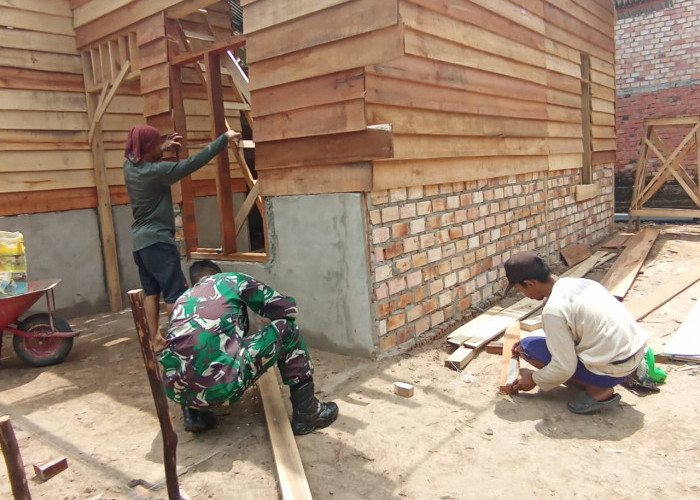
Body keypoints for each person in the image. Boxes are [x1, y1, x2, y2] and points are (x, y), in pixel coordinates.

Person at [159, 260, 339, 434]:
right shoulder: (231, 280)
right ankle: (308, 412)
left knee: (195, 349)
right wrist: (269, 317)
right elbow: (287, 308)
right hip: (221, 388)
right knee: (287, 329)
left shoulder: (181, 301)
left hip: (177, 390)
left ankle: (194, 414)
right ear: (218, 273)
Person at [124, 125, 241, 351]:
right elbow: (191, 164)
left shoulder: (129, 166)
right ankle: (182, 344)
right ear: (148, 148)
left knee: (151, 291)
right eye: (157, 144)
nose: (161, 146)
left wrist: (164, 147)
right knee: (174, 295)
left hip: (140, 244)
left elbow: (142, 155)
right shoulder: (156, 172)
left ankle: (155, 339)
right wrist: (223, 140)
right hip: (158, 242)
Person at [504, 251, 647, 414]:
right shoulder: (581, 283)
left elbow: (564, 368)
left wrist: (534, 379)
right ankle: (615, 375)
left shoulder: (554, 310)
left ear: (529, 284)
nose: (524, 295)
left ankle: (598, 390)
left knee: (528, 348)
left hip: (614, 368)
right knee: (537, 345)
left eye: (519, 289)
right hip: (635, 352)